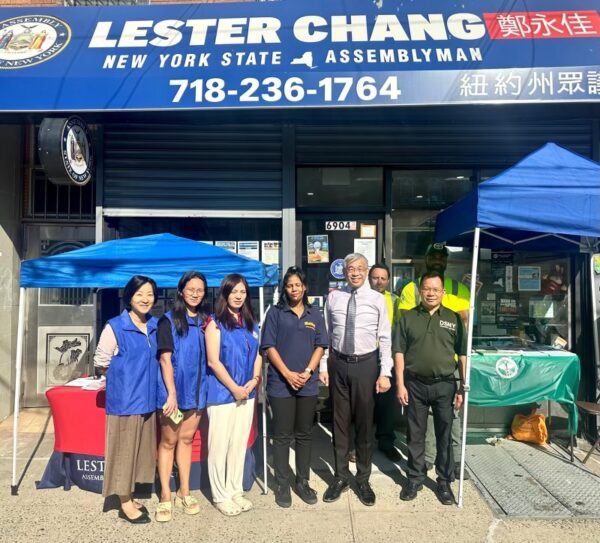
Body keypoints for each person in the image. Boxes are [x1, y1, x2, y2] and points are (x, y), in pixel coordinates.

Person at [320, 253, 392, 507]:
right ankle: (340, 476)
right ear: (344, 271)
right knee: (338, 424)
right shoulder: (333, 297)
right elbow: (325, 335)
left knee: (364, 424)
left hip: (366, 365)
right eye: (351, 269)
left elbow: (384, 338)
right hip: (338, 364)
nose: (355, 273)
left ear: (366, 271)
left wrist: (385, 372)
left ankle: (362, 478)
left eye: (360, 269)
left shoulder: (377, 299)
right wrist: (323, 365)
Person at [394, 271, 467, 505]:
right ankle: (414, 478)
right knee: (415, 435)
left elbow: (463, 354)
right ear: (420, 291)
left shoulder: (454, 319)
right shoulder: (408, 318)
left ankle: (444, 482)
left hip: (445, 384)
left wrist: (463, 386)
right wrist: (400, 384)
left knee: (445, 435)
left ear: (443, 293)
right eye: (427, 288)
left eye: (436, 289)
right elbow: (399, 353)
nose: (431, 293)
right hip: (414, 384)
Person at [261, 266, 328, 508]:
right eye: (289, 285)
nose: (294, 289)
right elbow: (269, 346)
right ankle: (282, 483)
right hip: (281, 384)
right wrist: (288, 374)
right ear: (285, 288)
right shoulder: (276, 313)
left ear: (305, 287)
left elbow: (321, 345)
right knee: (281, 436)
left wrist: (308, 371)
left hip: (307, 384)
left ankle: (302, 481)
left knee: (304, 435)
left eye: (297, 285)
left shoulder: (315, 313)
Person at [93, 275, 158, 524]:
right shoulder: (115, 326)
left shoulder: (152, 324)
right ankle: (125, 503)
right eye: (140, 294)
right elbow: (101, 361)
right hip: (126, 401)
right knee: (123, 451)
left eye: (150, 294)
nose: (145, 299)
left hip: (148, 400)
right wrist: (124, 379)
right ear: (129, 297)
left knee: (139, 451)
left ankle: (129, 493)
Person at [205, 273, 262, 516]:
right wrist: (235, 388)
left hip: (247, 393)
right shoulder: (214, 323)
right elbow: (213, 362)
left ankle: (235, 489)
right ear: (225, 294)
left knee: (239, 444)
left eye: (242, 292)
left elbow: (259, 354)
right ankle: (220, 495)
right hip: (222, 394)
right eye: (233, 291)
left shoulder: (251, 323)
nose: (238, 296)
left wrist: (254, 381)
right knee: (219, 446)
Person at [155, 271, 208, 522]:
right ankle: (165, 494)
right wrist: (172, 394)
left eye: (200, 289)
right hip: (173, 395)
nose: (195, 294)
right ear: (181, 291)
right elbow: (165, 359)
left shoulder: (206, 321)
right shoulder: (167, 320)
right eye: (191, 289)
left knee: (186, 440)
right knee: (168, 441)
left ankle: (184, 490)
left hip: (197, 393)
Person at [369, 263, 402, 462]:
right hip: (365, 357)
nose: (379, 281)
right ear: (369, 279)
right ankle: (360, 444)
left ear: (388, 280)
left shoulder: (395, 301)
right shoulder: (360, 298)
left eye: (383, 278)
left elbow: (400, 330)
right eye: (375, 277)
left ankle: (386, 441)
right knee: (363, 402)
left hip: (386, 357)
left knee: (387, 403)